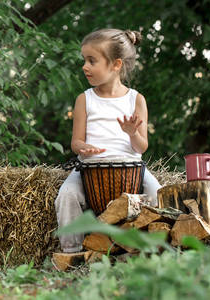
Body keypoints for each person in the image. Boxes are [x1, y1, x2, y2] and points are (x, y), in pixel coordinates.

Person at [54, 29, 162, 253]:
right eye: (84, 60)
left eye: (92, 61)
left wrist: (133, 133)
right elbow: (76, 142)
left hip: (132, 169)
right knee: (66, 195)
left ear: (116, 64)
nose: (85, 66)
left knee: (158, 194)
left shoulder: (136, 99)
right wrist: (84, 147)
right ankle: (71, 252)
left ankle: (149, 249)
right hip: (88, 169)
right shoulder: (84, 99)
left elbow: (141, 147)